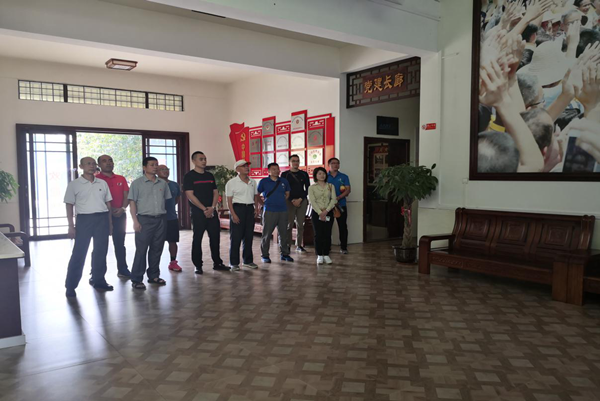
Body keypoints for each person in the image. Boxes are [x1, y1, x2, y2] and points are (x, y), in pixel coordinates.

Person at [64, 157, 113, 297]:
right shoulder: (74, 184)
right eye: (88, 164)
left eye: (93, 164)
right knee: (79, 253)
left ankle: (99, 280)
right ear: (81, 166)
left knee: (101, 251)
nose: (92, 166)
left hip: (102, 219)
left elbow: (108, 204)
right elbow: (69, 205)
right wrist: (71, 226)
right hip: (84, 220)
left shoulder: (102, 183)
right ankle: (70, 285)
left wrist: (110, 224)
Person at [128, 157, 171, 290]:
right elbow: (132, 203)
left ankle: (153, 276)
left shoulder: (162, 183)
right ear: (144, 167)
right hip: (144, 220)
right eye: (152, 165)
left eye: (156, 165)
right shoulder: (137, 183)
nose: (155, 167)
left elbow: (168, 201)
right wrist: (135, 221)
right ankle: (136, 279)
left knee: (157, 248)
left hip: (160, 219)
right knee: (141, 250)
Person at [183, 151, 229, 274]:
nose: (204, 161)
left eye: (205, 159)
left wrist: (212, 207)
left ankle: (217, 263)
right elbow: (190, 195)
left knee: (215, 238)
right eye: (201, 159)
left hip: (211, 211)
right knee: (197, 238)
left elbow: (215, 192)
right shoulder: (189, 176)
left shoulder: (209, 175)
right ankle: (198, 265)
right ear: (194, 161)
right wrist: (204, 209)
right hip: (198, 212)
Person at [96, 154, 131, 279]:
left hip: (119, 214)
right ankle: (96, 273)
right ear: (99, 165)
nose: (108, 163)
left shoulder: (121, 178)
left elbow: (127, 196)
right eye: (104, 161)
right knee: (100, 245)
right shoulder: (96, 179)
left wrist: (123, 208)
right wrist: (108, 211)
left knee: (120, 243)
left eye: (110, 160)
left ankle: (123, 269)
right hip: (102, 216)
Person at [225, 159, 260, 271]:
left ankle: (247, 261)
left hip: (249, 209)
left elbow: (256, 196)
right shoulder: (231, 183)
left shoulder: (252, 182)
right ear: (237, 169)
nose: (246, 168)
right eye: (243, 166)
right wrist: (233, 214)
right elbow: (229, 201)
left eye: (247, 166)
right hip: (237, 209)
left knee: (249, 236)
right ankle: (234, 263)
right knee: (236, 237)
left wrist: (256, 208)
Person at [257, 162, 294, 263]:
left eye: (277, 169)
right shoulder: (264, 181)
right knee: (267, 233)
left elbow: (287, 194)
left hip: (283, 210)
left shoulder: (284, 181)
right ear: (268, 171)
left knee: (283, 233)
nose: (276, 171)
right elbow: (257, 195)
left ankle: (285, 254)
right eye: (273, 169)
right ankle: (265, 255)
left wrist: (280, 201)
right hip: (269, 210)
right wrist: (263, 204)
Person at [281, 154, 311, 253]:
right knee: (289, 224)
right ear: (289, 162)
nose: (295, 163)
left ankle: (299, 245)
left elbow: (308, 189)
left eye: (297, 161)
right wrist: (292, 200)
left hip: (302, 201)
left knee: (300, 224)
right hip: (289, 201)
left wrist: (300, 199)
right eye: (293, 161)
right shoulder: (285, 174)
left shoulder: (304, 174)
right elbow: (283, 189)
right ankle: (288, 245)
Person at [308, 167, 337, 265]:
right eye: (319, 174)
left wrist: (326, 210)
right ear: (315, 175)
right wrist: (320, 212)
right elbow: (312, 201)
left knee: (327, 233)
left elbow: (333, 200)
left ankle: (326, 254)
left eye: (323, 173)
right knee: (318, 234)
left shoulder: (331, 186)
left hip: (328, 212)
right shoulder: (312, 187)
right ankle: (319, 255)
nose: (322, 175)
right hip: (317, 213)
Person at [157, 164, 182, 272]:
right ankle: (154, 265)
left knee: (173, 241)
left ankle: (173, 262)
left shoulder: (174, 185)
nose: (165, 171)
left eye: (167, 169)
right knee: (157, 242)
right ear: (156, 172)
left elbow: (177, 199)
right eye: (162, 169)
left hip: (171, 217)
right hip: (158, 218)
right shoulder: (155, 184)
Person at [326, 158, 351, 254]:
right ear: (329, 165)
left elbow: (348, 190)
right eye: (333, 163)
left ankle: (343, 247)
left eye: (337, 163)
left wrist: (338, 198)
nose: (335, 165)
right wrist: (331, 200)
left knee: (342, 226)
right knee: (327, 227)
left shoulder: (344, 176)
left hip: (341, 205)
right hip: (328, 206)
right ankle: (327, 247)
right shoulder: (325, 176)